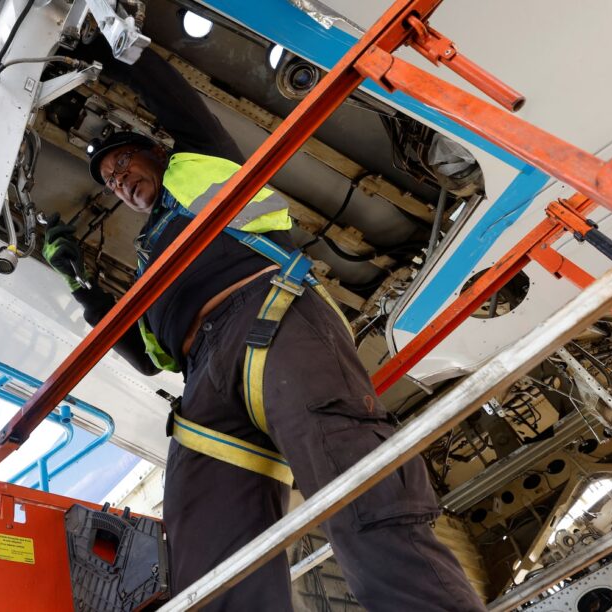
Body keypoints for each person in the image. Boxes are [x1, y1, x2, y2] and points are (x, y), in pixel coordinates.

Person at [44, 45, 484, 610]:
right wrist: (80, 285)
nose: (119, 182)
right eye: (110, 182)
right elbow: (149, 358)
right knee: (204, 547)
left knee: (354, 485)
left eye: (122, 164)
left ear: (155, 152)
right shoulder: (149, 259)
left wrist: (112, 48)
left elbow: (171, 96)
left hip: (272, 314)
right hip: (202, 378)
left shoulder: (202, 161)